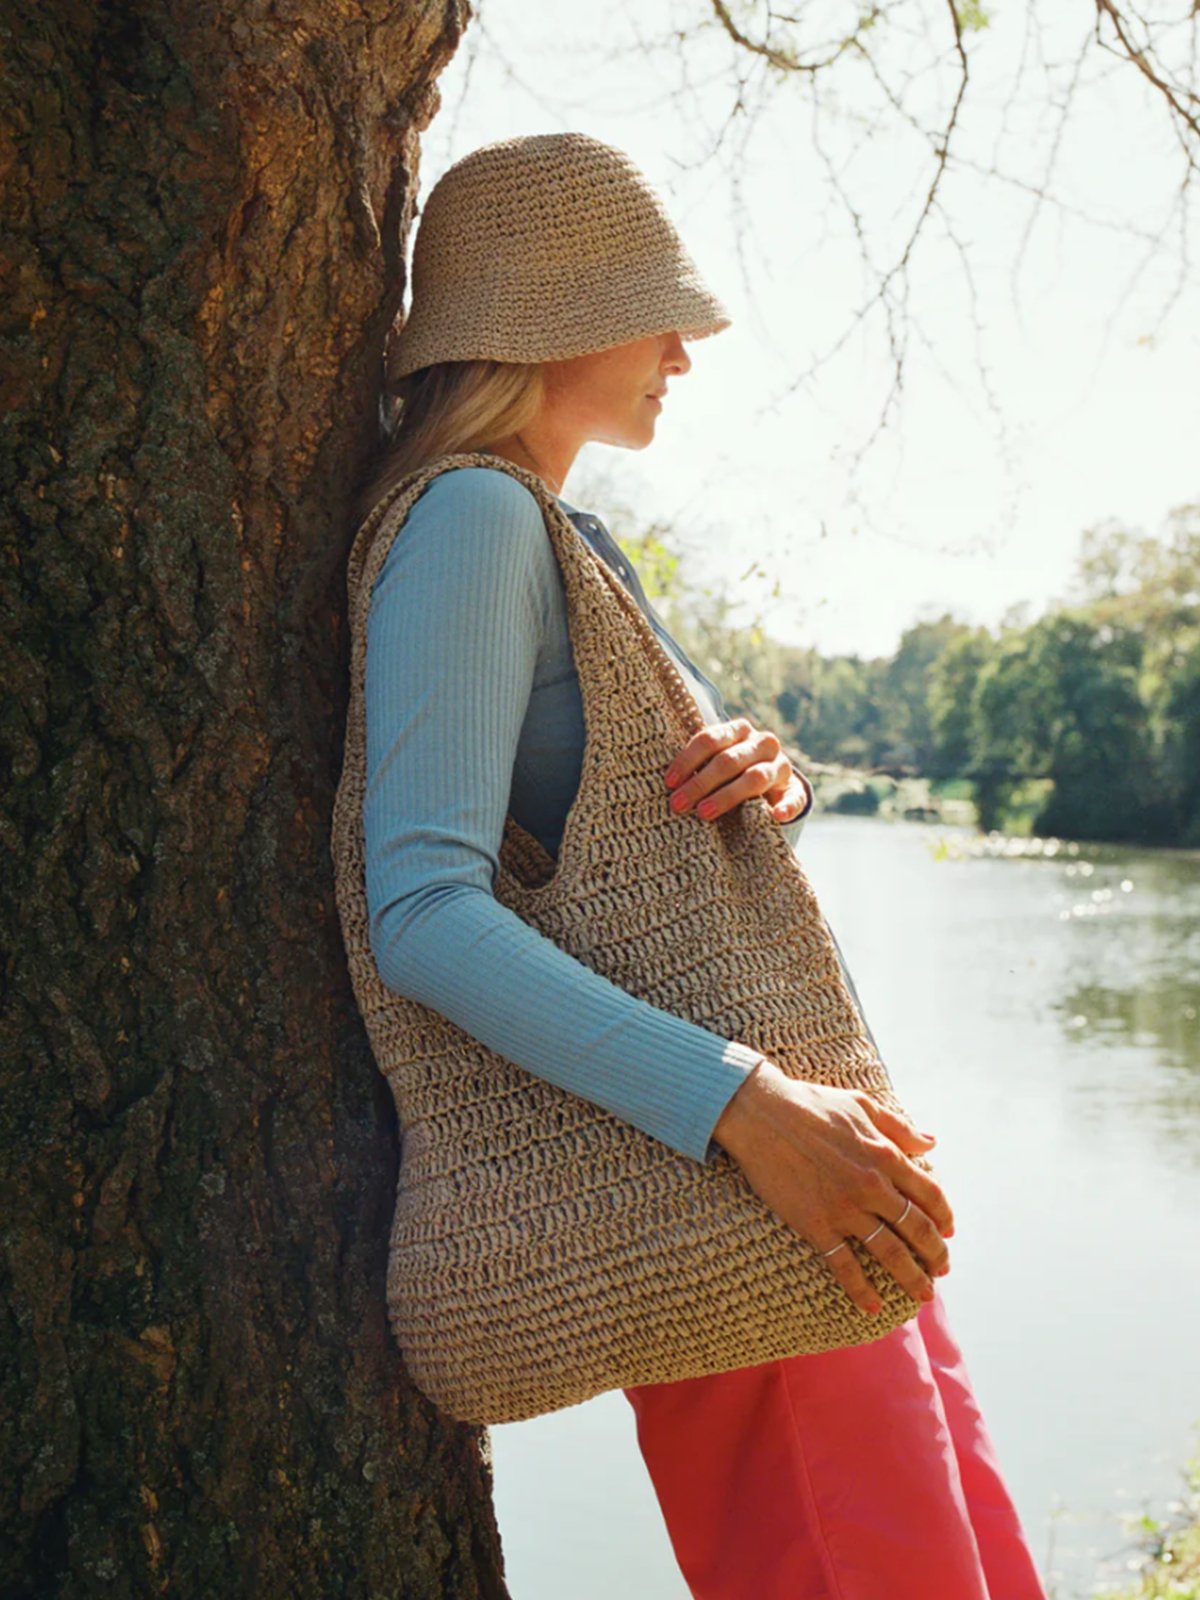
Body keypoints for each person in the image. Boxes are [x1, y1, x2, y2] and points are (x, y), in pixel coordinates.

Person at [357, 130, 1047, 1599]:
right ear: (544, 315)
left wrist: (765, 777)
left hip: (803, 1183)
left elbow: (605, 818)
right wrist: (744, 1107)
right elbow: (421, 910)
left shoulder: (556, 532)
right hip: (739, 1189)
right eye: (651, 305)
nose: (686, 346)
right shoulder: (473, 517)